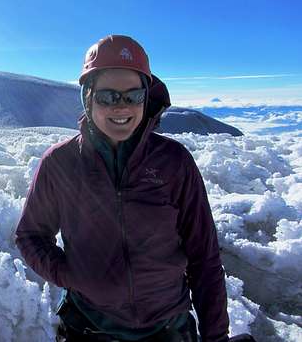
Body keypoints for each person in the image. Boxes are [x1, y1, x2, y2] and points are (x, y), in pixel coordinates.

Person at [15, 35, 229, 342]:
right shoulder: (60, 163)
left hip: (168, 328)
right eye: (108, 97)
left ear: (146, 97)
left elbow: (204, 257)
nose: (122, 107)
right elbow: (30, 235)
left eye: (133, 95)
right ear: (88, 97)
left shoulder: (174, 162)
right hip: (89, 327)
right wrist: (69, 275)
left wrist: (216, 336)